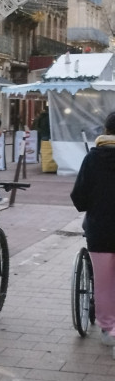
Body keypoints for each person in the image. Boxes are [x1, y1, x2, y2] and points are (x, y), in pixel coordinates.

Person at [71, 110, 115, 347]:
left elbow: (79, 196)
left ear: (106, 131)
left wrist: (92, 206)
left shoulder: (92, 158)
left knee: (104, 282)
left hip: (100, 230)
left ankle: (109, 329)